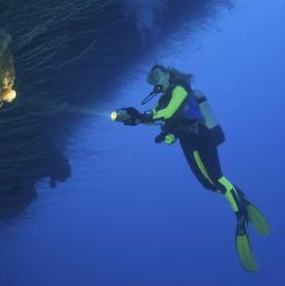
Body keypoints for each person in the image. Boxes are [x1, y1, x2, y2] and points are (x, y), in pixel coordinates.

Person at [114, 64, 271, 272]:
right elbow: (157, 117)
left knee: (216, 177)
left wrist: (142, 116)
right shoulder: (162, 100)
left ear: (168, 75)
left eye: (157, 76)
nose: (155, 81)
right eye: (152, 80)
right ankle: (239, 197)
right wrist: (134, 119)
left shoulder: (179, 90)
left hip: (200, 135)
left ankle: (240, 216)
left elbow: (168, 113)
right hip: (187, 142)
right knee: (207, 185)